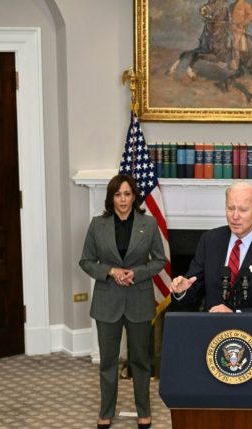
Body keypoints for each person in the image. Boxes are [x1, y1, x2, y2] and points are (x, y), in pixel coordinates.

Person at [79, 174, 165, 429]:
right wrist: (110, 272)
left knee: (140, 360)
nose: (123, 199)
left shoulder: (148, 225)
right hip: (107, 303)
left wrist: (136, 273)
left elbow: (159, 261)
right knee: (108, 361)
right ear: (111, 198)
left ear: (134, 196)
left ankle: (144, 411)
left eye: (127, 194)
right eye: (118, 194)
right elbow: (85, 261)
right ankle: (106, 411)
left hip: (139, 301)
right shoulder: (97, 225)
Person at [169, 181, 252, 312]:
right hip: (212, 329)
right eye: (231, 208)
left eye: (243, 210)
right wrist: (182, 291)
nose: (235, 216)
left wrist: (236, 314)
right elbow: (194, 289)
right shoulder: (210, 241)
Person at [229, 0, 252, 70]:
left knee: (235, 46)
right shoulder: (232, 5)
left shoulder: (245, 4)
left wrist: (243, 23)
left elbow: (251, 15)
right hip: (230, 28)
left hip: (239, 29)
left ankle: (235, 65)